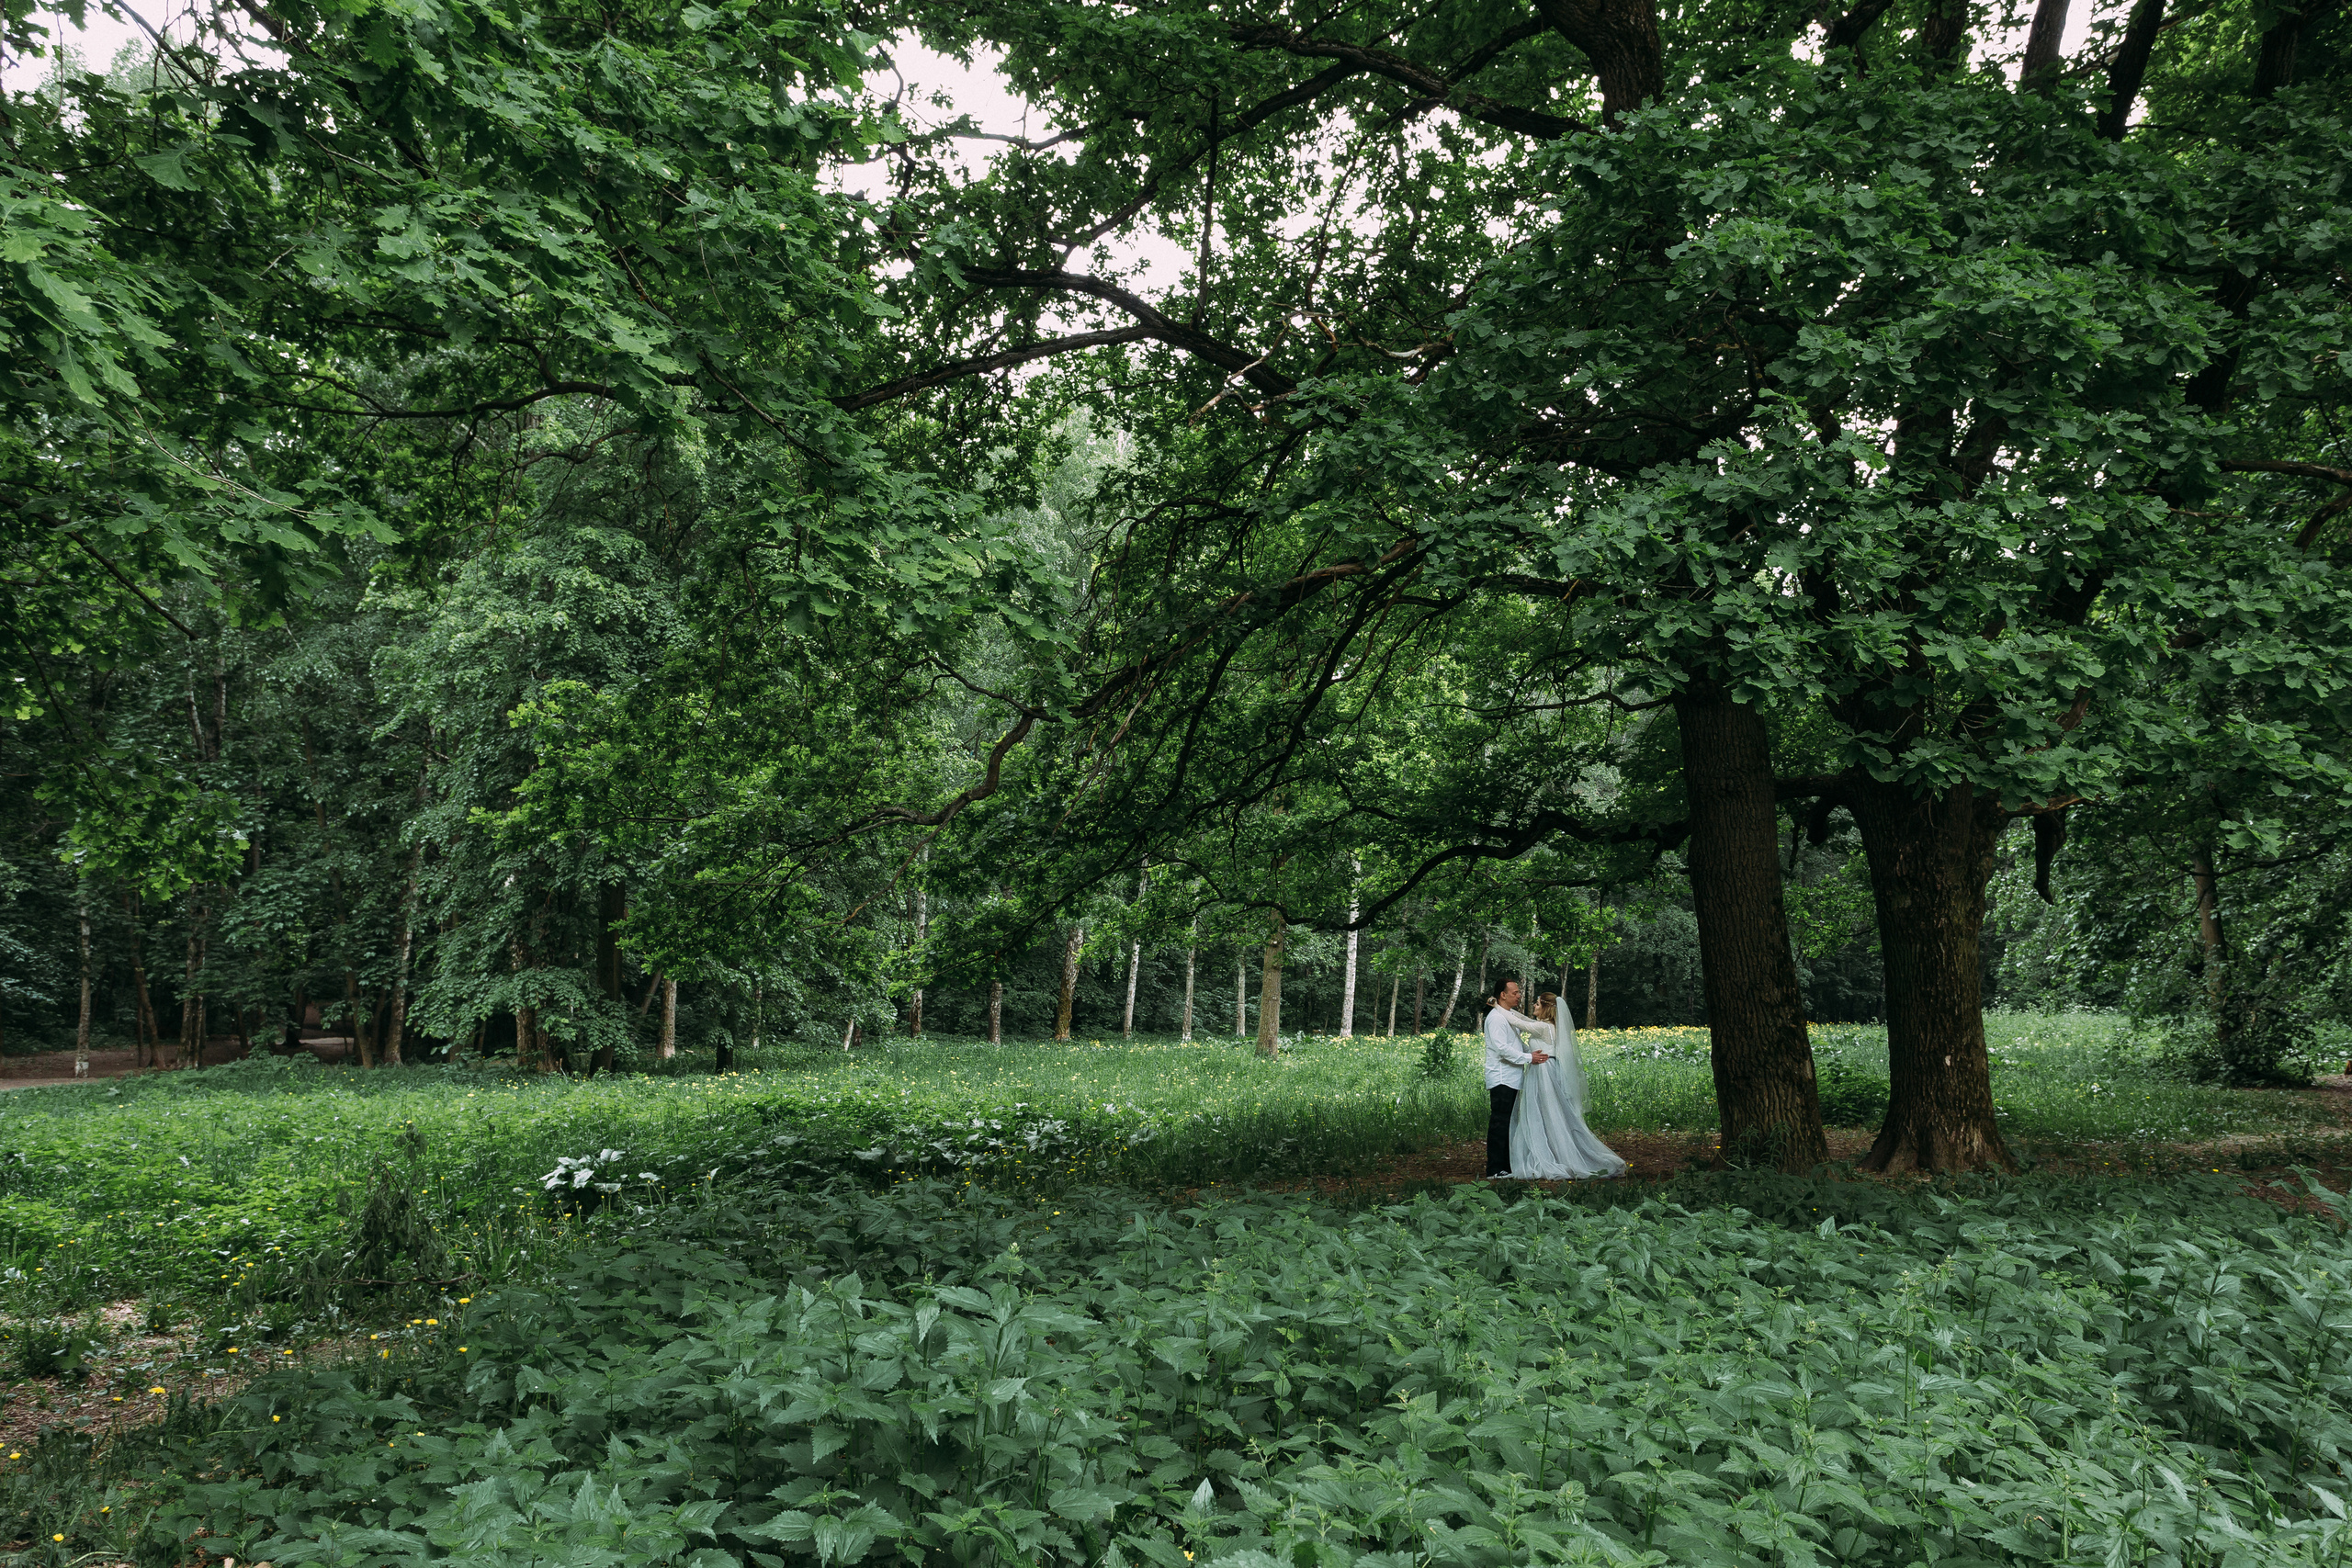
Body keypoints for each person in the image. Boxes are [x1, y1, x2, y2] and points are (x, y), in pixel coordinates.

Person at [1509, 991, 1628, 1180]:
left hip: (1544, 1072)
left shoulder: (1543, 1028)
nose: (1534, 1006)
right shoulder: (1548, 1026)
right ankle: (1556, 1151)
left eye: (1537, 1003)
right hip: (1544, 1070)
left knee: (1548, 1112)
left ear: (1546, 1008)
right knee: (1549, 1113)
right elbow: (1522, 1018)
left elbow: (1518, 1023)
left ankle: (1557, 1155)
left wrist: (1497, 1007)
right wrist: (1505, 1009)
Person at [1481, 978, 1550, 1178]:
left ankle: (1506, 1166)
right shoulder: (1495, 1018)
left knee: (1509, 1122)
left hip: (1513, 1076)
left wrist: (1532, 1052)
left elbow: (1515, 1043)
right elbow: (1502, 1049)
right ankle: (1494, 1168)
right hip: (1502, 1077)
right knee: (1499, 1123)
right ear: (1503, 995)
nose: (1519, 996)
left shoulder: (1508, 1016)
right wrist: (1529, 1058)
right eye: (1515, 993)